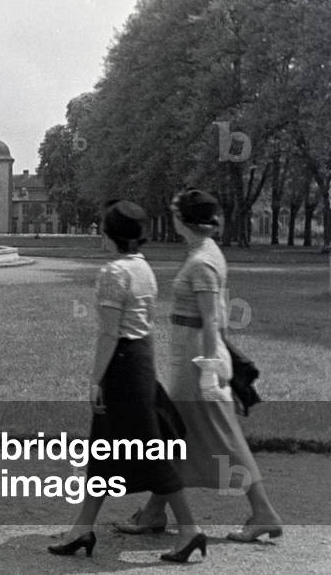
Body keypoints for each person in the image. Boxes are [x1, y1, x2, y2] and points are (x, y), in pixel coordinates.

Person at [116, 189, 282, 543]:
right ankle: (155, 511)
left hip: (196, 358)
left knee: (206, 436)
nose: (172, 215)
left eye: (176, 211)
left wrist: (208, 368)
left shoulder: (202, 261)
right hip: (193, 354)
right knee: (180, 436)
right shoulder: (204, 253)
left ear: (184, 220)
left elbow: (211, 319)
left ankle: (263, 511)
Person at [49, 200, 206, 563]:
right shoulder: (144, 269)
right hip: (141, 360)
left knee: (148, 451)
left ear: (111, 235)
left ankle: (189, 529)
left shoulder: (113, 272)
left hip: (121, 365)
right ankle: (82, 527)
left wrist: (95, 379)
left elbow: (109, 333)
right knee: (105, 451)